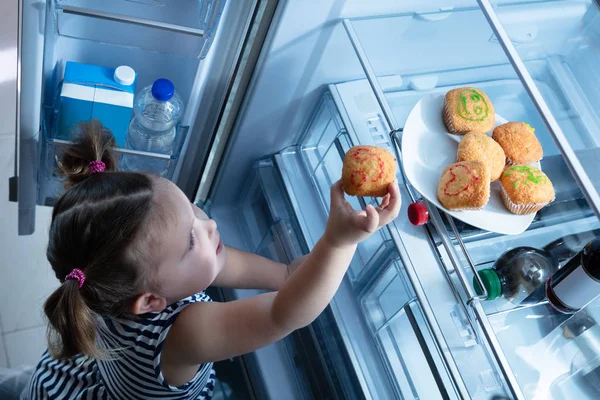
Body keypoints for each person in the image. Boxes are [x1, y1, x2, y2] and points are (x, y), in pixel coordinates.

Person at [23, 120, 401, 399]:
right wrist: (339, 243)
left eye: (192, 208)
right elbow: (280, 315)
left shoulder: (107, 281)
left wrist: (290, 272)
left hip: (88, 379)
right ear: (152, 301)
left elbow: (275, 278)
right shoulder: (183, 335)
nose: (210, 225)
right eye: (191, 239)